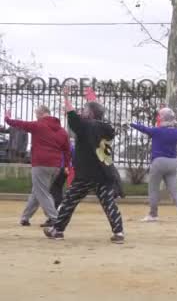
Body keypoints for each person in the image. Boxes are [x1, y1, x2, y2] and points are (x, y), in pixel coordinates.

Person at [44, 87, 124, 244]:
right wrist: (92, 101)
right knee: (109, 203)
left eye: (85, 110)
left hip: (87, 173)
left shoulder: (85, 126)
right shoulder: (106, 127)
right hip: (104, 171)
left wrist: (66, 97)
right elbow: (92, 115)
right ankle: (119, 233)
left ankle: (57, 230)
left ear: (91, 114)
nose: (82, 111)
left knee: (69, 201)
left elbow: (73, 116)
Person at [4, 106, 71, 227]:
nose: (36, 117)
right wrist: (66, 165)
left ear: (41, 113)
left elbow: (20, 124)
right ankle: (25, 218)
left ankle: (55, 218)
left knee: (42, 192)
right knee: (37, 191)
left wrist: (7, 118)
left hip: (40, 163)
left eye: (36, 115)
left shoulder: (38, 125)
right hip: (55, 166)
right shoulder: (62, 131)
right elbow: (67, 151)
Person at [131, 107, 177, 223]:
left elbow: (144, 129)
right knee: (174, 191)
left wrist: (131, 123)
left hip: (158, 162)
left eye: (159, 116)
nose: (158, 117)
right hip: (172, 163)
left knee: (153, 189)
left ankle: (153, 214)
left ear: (162, 118)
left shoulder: (157, 131)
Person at [41, 142, 75, 227]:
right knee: (57, 190)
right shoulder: (69, 144)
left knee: (53, 191)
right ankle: (57, 214)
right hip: (65, 168)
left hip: (59, 167)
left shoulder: (56, 142)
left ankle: (53, 216)